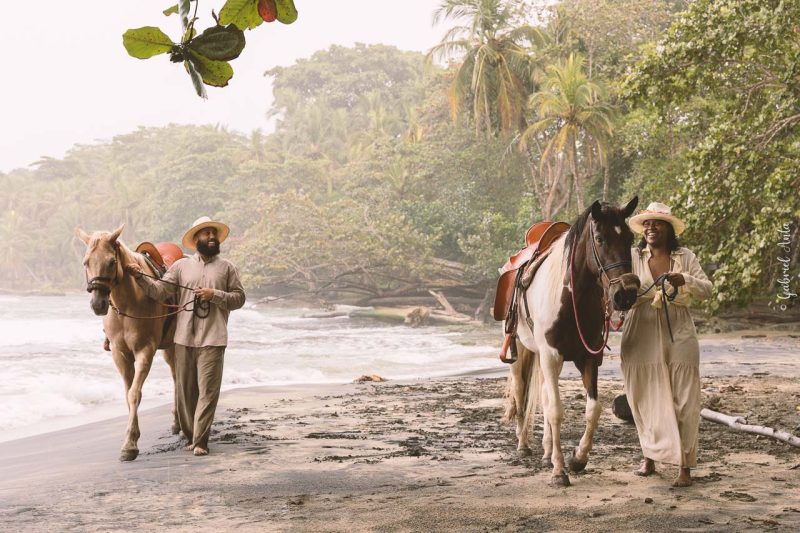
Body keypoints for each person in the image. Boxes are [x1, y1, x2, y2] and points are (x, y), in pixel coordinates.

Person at [125, 216, 246, 456]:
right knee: (185, 393)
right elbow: (160, 292)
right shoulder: (180, 267)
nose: (211, 237)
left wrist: (215, 295)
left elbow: (239, 299)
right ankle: (191, 435)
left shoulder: (228, 268)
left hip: (214, 338)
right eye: (206, 234)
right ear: (196, 239)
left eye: (213, 234)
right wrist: (140, 276)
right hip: (183, 339)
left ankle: (200, 441)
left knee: (208, 392)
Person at [620, 202, 712, 487]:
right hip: (641, 326)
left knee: (685, 399)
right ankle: (649, 456)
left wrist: (683, 278)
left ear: (669, 228)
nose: (650, 228)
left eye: (657, 223)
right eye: (647, 224)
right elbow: (617, 291)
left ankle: (684, 466)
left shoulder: (685, 256)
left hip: (679, 326)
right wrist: (626, 288)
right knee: (644, 396)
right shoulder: (633, 256)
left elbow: (707, 290)